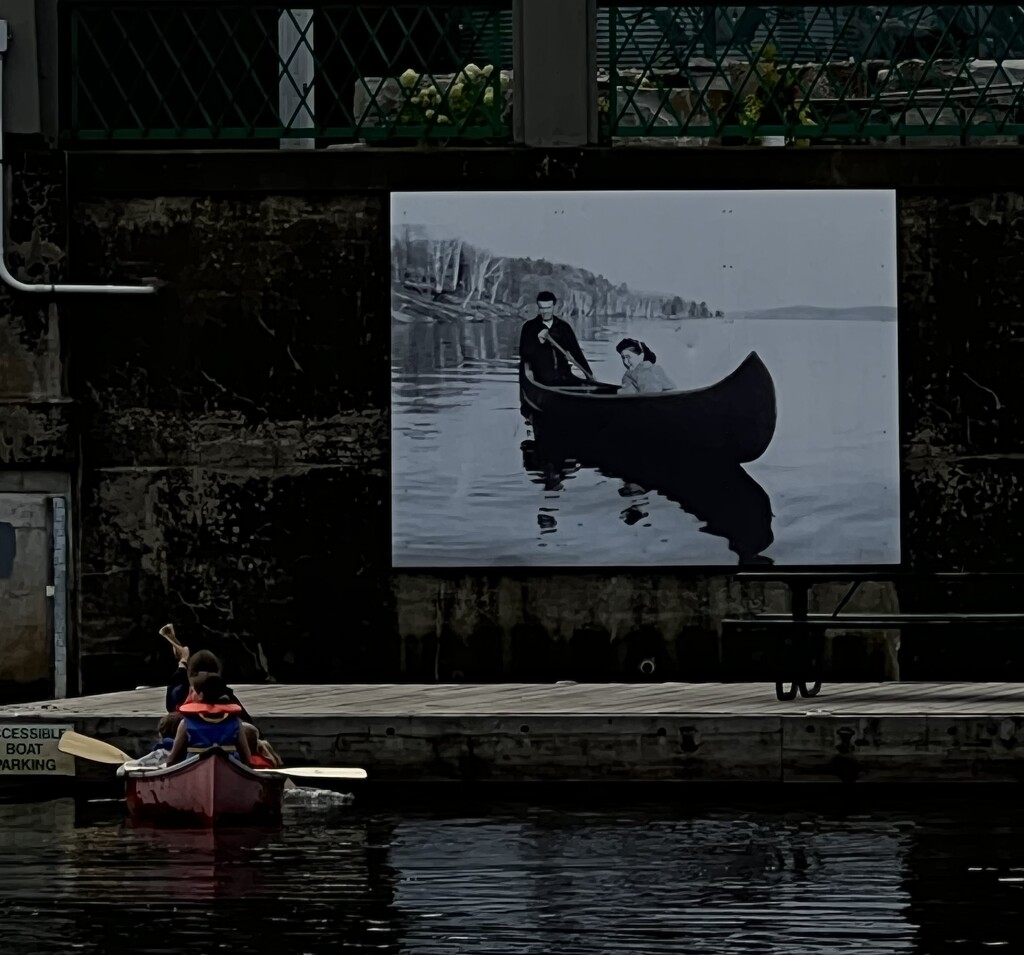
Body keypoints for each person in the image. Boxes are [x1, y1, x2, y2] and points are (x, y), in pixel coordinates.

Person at [519, 291, 593, 415]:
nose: (545, 311)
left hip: (564, 377)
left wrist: (589, 375)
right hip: (541, 379)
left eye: (548, 308)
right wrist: (539, 342)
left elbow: (576, 353)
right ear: (538, 307)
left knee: (583, 391)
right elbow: (524, 354)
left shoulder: (564, 328)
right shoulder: (529, 327)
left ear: (554, 307)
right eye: (542, 308)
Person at [167, 673, 253, 766]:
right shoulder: (236, 722)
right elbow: (247, 758)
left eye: (193, 691)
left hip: (195, 769)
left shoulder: (185, 723)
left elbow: (173, 757)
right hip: (229, 768)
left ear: (201, 695)